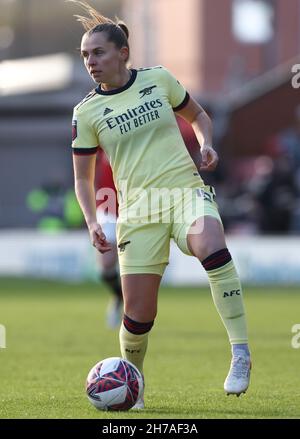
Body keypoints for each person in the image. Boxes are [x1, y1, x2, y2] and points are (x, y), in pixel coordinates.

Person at [70, 1, 252, 409]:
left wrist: (206, 144)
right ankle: (133, 384)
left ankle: (241, 352)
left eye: (98, 52)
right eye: (85, 55)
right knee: (138, 315)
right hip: (137, 211)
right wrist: (90, 222)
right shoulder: (86, 112)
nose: (90, 62)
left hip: (183, 192)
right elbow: (82, 179)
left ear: (123, 53)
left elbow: (199, 115)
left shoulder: (159, 80)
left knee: (212, 247)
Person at [95, 148, 123, 328]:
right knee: (106, 264)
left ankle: (133, 313)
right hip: (108, 209)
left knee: (137, 268)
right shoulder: (100, 129)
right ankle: (118, 296)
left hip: (139, 209)